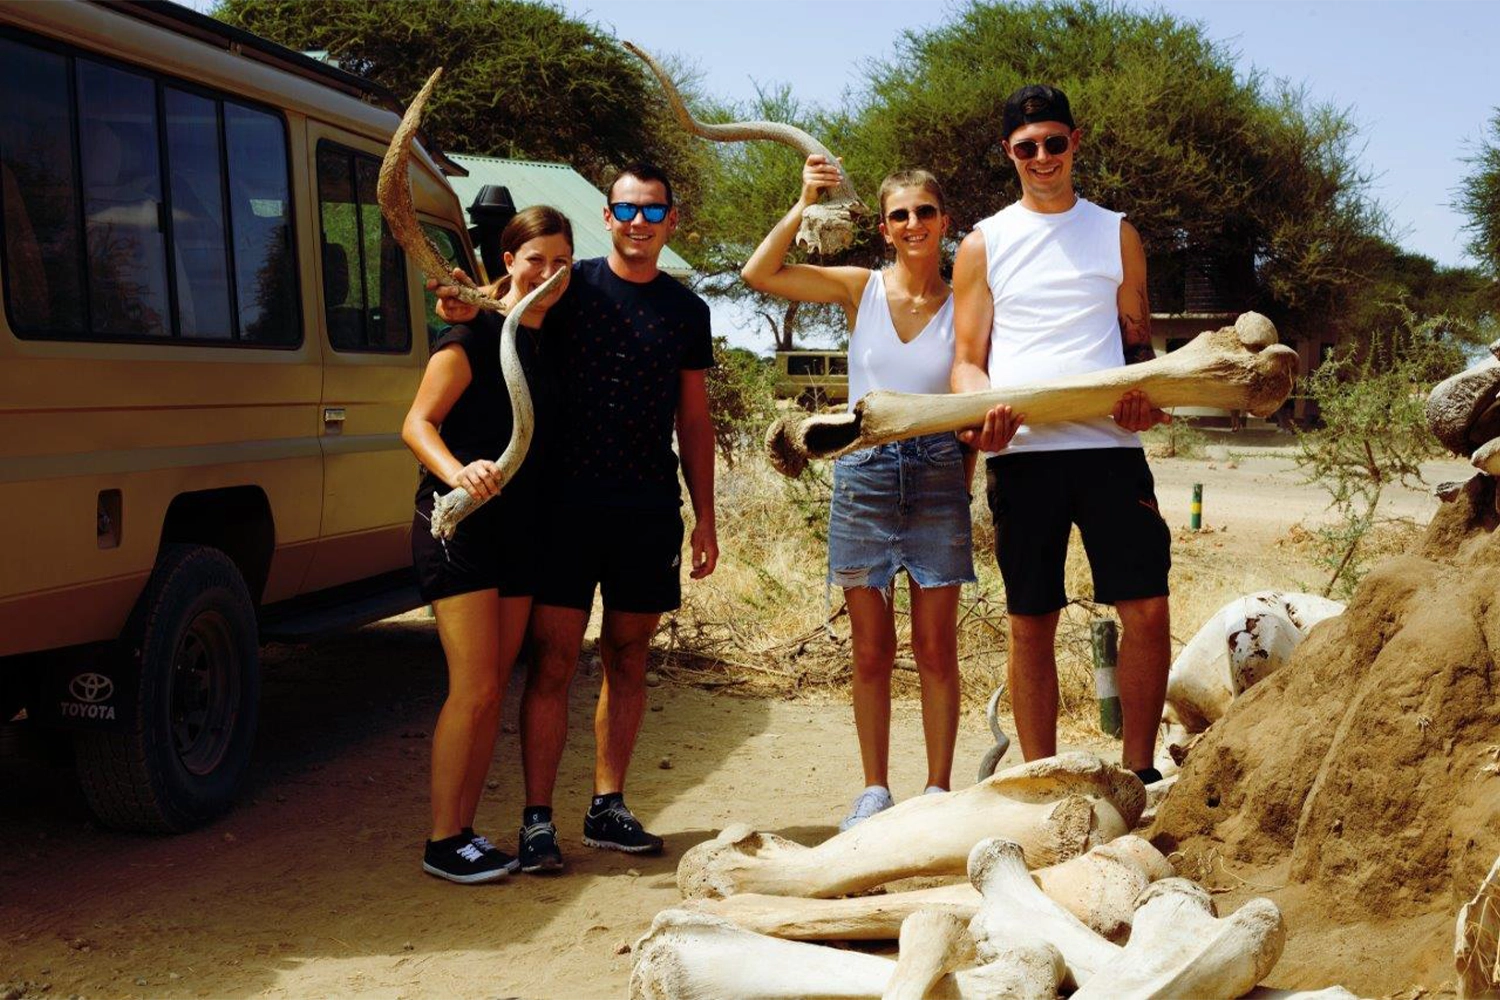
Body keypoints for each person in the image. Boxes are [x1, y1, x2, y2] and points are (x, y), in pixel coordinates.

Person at [437, 162, 717, 872]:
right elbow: (502, 301)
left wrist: (706, 517)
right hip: (561, 511)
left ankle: (607, 805)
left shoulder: (688, 311)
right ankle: (537, 820)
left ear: (671, 222)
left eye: (654, 213)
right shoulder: (568, 283)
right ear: (607, 216)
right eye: (627, 212)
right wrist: (461, 305)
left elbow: (694, 418)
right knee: (554, 663)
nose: (639, 225)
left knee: (628, 657)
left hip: (648, 510)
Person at [743, 156, 983, 829]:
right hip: (865, 472)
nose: (913, 225)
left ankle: (938, 791)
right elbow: (758, 274)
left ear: (945, 223)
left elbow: (971, 396)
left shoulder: (965, 302)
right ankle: (874, 792)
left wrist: (961, 481)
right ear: (884, 228)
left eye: (925, 213)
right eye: (900, 215)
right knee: (871, 649)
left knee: (936, 648)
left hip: (939, 474)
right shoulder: (861, 290)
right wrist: (804, 199)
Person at [950, 84, 1172, 785]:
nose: (1041, 157)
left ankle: (1138, 772)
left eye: (1053, 142)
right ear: (1008, 154)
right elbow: (966, 359)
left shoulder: (1117, 233)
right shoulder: (983, 243)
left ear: (1075, 142)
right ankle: (1041, 782)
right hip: (1024, 456)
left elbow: (1137, 347)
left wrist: (1148, 402)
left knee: (1147, 607)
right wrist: (979, 414)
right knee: (1029, 620)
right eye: (1026, 147)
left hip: (1110, 450)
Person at [403, 206, 574, 883]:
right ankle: (443, 840)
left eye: (561, 262)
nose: (548, 273)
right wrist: (459, 474)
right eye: (535, 259)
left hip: (522, 534)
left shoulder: (549, 338)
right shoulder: (468, 336)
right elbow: (417, 423)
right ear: (507, 262)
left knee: (492, 690)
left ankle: (466, 834)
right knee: (471, 688)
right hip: (461, 526)